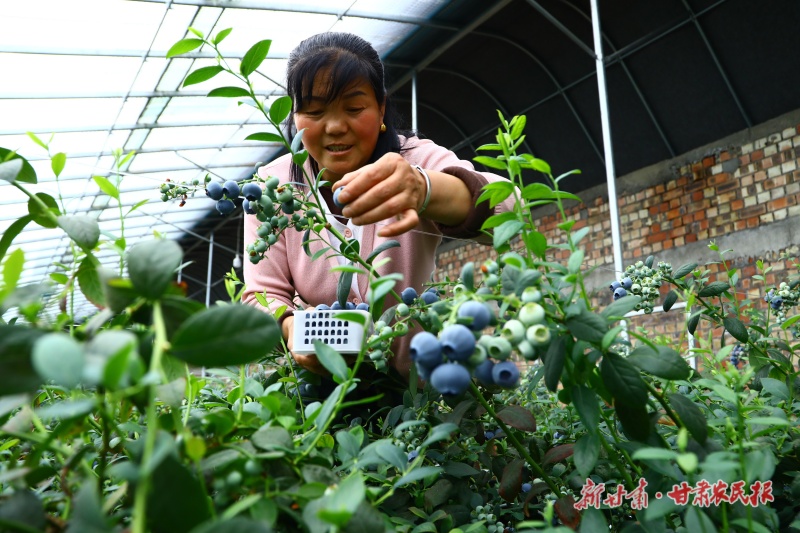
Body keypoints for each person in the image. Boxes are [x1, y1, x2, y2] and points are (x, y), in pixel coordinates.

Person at [242, 32, 515, 380]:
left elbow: (511, 208)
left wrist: (424, 188)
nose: (336, 126)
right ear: (294, 117)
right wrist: (290, 326)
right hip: (322, 395)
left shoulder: (415, 159)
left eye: (354, 108)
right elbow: (261, 295)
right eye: (313, 110)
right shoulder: (273, 187)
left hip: (417, 392)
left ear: (381, 107)